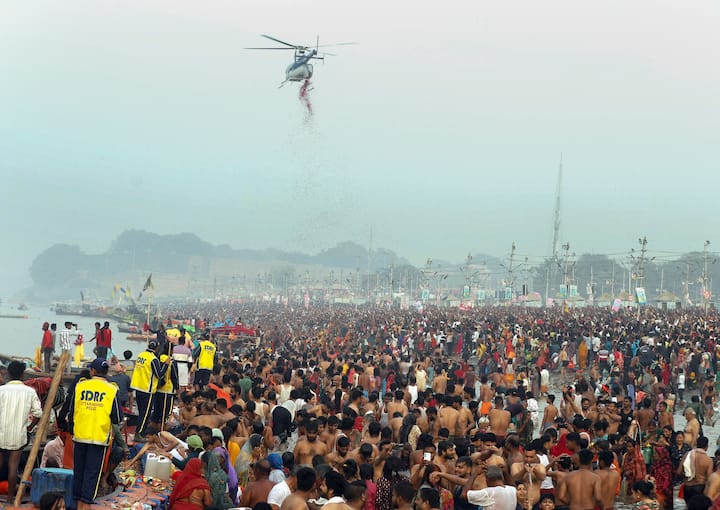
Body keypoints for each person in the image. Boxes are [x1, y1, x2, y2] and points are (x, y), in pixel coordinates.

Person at [69, 358, 122, 510]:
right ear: (106, 372)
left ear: (92, 371)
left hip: (80, 435)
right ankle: (85, 505)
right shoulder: (112, 389)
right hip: (98, 438)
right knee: (92, 473)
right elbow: (117, 418)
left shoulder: (80, 386)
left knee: (78, 471)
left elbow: (72, 411)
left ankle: (75, 504)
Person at [0, 360, 43, 501]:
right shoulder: (30, 392)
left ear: (8, 374)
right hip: (19, 435)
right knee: (13, 467)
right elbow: (38, 414)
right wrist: (29, 428)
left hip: (1, 433)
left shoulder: (1, 390)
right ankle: (10, 499)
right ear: (23, 374)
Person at [130, 340, 170, 441]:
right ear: (156, 348)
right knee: (145, 414)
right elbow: (159, 374)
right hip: (147, 389)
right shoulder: (153, 359)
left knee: (141, 412)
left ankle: (139, 432)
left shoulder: (141, 355)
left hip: (138, 387)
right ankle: (139, 434)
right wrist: (166, 365)